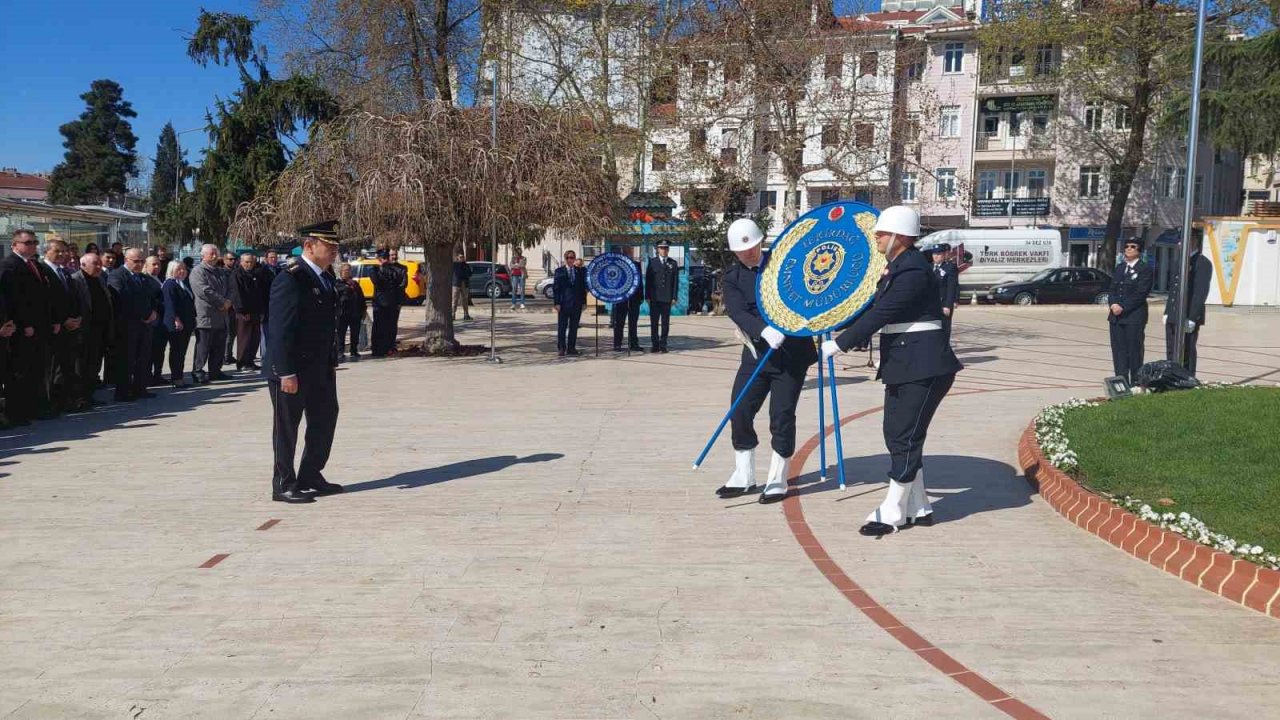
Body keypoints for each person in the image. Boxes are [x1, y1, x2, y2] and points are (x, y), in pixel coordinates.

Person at [821, 205, 963, 537]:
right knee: (899, 434)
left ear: (899, 236)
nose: (876, 237)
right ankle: (920, 504)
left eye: (882, 233)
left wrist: (840, 344)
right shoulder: (898, 267)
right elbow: (869, 308)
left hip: (923, 364)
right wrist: (829, 321)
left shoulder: (911, 270)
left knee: (904, 435)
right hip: (906, 363)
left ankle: (894, 510)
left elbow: (883, 312)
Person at [718, 219, 819, 504]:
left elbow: (807, 293)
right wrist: (763, 330)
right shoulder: (732, 278)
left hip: (791, 356)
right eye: (741, 250)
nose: (748, 252)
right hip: (756, 354)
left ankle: (778, 477)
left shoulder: (783, 265)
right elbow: (738, 311)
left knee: (782, 416)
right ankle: (743, 474)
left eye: (751, 246)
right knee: (739, 410)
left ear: (761, 242)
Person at [266, 232, 344, 504]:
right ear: (309, 247)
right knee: (287, 428)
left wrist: (330, 362)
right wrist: (285, 371)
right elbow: (279, 330)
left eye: (336, 246)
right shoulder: (291, 278)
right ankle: (284, 484)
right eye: (329, 245)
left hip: (320, 368)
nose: (334, 250)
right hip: (293, 370)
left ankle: (310, 474)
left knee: (324, 420)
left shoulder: (325, 277)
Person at [0, 230, 56, 424]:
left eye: (34, 242)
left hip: (40, 326)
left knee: (36, 370)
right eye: (27, 243)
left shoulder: (34, 265)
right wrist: (23, 324)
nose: (32, 246)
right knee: (19, 372)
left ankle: (32, 408)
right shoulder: (9, 266)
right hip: (23, 329)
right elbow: (12, 300)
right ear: (15, 245)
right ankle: (17, 413)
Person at [106, 248, 161, 401]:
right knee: (126, 359)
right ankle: (123, 392)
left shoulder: (143, 278)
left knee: (143, 357)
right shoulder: (117, 276)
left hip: (145, 325)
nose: (139, 264)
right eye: (136, 261)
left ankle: (140, 388)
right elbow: (122, 300)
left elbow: (154, 296)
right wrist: (142, 315)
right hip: (127, 325)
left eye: (142, 261)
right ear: (126, 260)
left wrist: (153, 312)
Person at [40, 239, 85, 413]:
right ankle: (51, 402)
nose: (62, 254)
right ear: (46, 252)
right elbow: (47, 301)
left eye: (64, 251)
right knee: (53, 368)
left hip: (71, 327)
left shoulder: (65, 272)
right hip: (55, 327)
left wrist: (77, 318)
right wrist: (61, 320)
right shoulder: (43, 271)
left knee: (66, 367)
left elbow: (72, 298)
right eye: (57, 251)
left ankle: (65, 400)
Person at [1164, 234, 1213, 375]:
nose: (1180, 244)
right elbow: (1173, 289)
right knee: (1171, 348)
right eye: (1179, 241)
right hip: (1174, 313)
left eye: (1183, 241)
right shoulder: (1180, 261)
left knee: (1187, 349)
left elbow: (1200, 292)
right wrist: (1167, 311)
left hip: (1188, 314)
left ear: (1194, 242)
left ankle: (1188, 377)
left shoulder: (1202, 262)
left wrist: (1192, 317)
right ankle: (1172, 375)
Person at [1107, 238, 1154, 385]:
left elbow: (1141, 293)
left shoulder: (1144, 269)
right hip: (1116, 317)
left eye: (1133, 247)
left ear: (1139, 250)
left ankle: (1136, 383)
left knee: (1134, 351)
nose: (1128, 249)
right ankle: (1121, 383)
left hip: (1134, 317)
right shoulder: (1120, 268)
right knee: (1119, 352)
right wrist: (1113, 303)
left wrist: (1123, 307)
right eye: (1126, 246)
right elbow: (1112, 289)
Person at [68, 253, 113, 406]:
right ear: (83, 264)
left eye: (100, 263)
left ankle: (89, 395)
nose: (99, 266)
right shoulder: (76, 280)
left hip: (99, 330)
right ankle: (78, 398)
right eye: (95, 263)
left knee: (94, 365)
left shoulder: (100, 279)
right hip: (83, 330)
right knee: (81, 366)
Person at [189, 244, 233, 384]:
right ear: (203, 255)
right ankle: (198, 371)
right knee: (203, 346)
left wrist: (228, 301)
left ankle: (215, 370)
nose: (214, 256)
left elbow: (229, 288)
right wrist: (222, 302)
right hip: (206, 315)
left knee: (218, 346)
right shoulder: (198, 271)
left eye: (216, 253)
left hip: (221, 315)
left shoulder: (220, 271)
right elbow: (204, 291)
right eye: (211, 253)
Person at [162, 260, 197, 386]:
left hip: (187, 322)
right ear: (172, 270)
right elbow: (170, 305)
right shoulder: (170, 284)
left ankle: (179, 376)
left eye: (184, 269)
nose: (182, 271)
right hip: (176, 323)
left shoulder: (183, 284)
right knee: (177, 351)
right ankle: (176, 378)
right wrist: (176, 319)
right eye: (179, 269)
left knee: (181, 351)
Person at [230, 253, 265, 371]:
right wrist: (241, 310)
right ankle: (242, 362)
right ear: (241, 262)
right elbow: (236, 294)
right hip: (244, 312)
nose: (249, 264)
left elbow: (259, 293)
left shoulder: (254, 274)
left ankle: (250, 361)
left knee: (255, 338)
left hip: (255, 311)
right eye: (246, 262)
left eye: (251, 262)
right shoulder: (236, 274)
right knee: (244, 338)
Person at [370, 249, 407, 357]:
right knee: (379, 326)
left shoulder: (392, 270)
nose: (384, 260)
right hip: (380, 303)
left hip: (389, 302)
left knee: (388, 326)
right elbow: (376, 281)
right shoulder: (376, 270)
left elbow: (398, 284)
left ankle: (386, 348)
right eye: (383, 258)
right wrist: (381, 268)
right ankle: (378, 349)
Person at [553, 249, 587, 357]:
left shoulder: (579, 271)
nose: (570, 260)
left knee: (574, 327)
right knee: (562, 327)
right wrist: (557, 303)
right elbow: (556, 288)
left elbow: (583, 288)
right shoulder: (559, 271)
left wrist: (584, 302)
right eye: (568, 258)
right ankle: (561, 348)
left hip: (576, 304)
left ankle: (571, 348)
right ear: (565, 259)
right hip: (563, 304)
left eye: (572, 257)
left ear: (574, 258)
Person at [646, 240, 679, 353]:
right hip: (655, 298)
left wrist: (674, 297)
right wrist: (647, 296)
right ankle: (655, 344)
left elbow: (675, 282)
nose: (664, 250)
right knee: (654, 323)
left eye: (666, 248)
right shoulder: (652, 262)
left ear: (668, 250)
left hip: (667, 298)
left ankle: (663, 344)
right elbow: (648, 281)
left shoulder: (673, 263)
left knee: (665, 323)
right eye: (661, 248)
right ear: (657, 249)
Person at [612, 253, 645, 353]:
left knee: (633, 323)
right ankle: (617, 344)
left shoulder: (636, 265)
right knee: (619, 323)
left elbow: (640, 282)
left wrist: (641, 297)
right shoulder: (618, 265)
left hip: (634, 298)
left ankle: (634, 344)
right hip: (621, 299)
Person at [144, 255, 169, 386]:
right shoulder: (145, 280)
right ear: (146, 265)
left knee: (160, 350)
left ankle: (157, 374)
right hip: (153, 321)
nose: (157, 267)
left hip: (162, 322)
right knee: (150, 351)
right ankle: (148, 376)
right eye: (153, 264)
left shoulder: (159, 279)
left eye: (158, 264)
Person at [336, 262, 367, 361]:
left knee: (355, 333)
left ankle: (354, 350)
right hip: (343, 313)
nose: (347, 272)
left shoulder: (355, 283)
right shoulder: (337, 283)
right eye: (345, 270)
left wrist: (363, 309)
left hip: (355, 313)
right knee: (341, 333)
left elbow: (361, 297)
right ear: (341, 272)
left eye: (348, 270)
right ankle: (340, 351)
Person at [931, 243, 959, 345]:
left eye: (938, 254)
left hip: (943, 303)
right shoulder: (929, 267)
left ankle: (944, 349)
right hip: (931, 304)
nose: (935, 256)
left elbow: (952, 287)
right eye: (934, 254)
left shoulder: (949, 268)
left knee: (944, 328)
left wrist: (948, 305)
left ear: (943, 255)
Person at [451, 251, 473, 321]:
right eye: (460, 257)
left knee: (465, 300)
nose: (462, 258)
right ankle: (452, 315)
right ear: (457, 257)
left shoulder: (466, 265)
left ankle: (466, 315)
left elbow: (470, 273)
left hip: (465, 284)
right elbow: (457, 274)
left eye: (463, 257)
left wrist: (465, 275)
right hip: (456, 284)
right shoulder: (454, 265)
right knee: (454, 300)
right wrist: (464, 275)